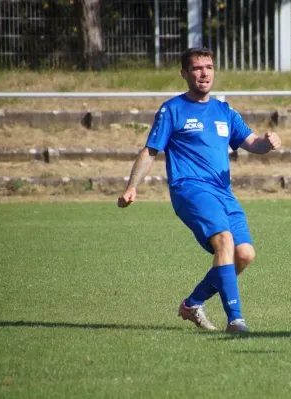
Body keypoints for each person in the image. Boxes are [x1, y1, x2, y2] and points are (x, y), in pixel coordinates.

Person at [118, 47, 281, 333]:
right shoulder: (173, 109)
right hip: (189, 189)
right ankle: (236, 321)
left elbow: (252, 143)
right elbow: (150, 151)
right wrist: (132, 186)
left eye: (209, 67)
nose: (204, 73)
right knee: (224, 240)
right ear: (184, 74)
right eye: (196, 68)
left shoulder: (224, 110)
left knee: (244, 254)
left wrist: (268, 143)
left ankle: (192, 304)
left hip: (222, 192)